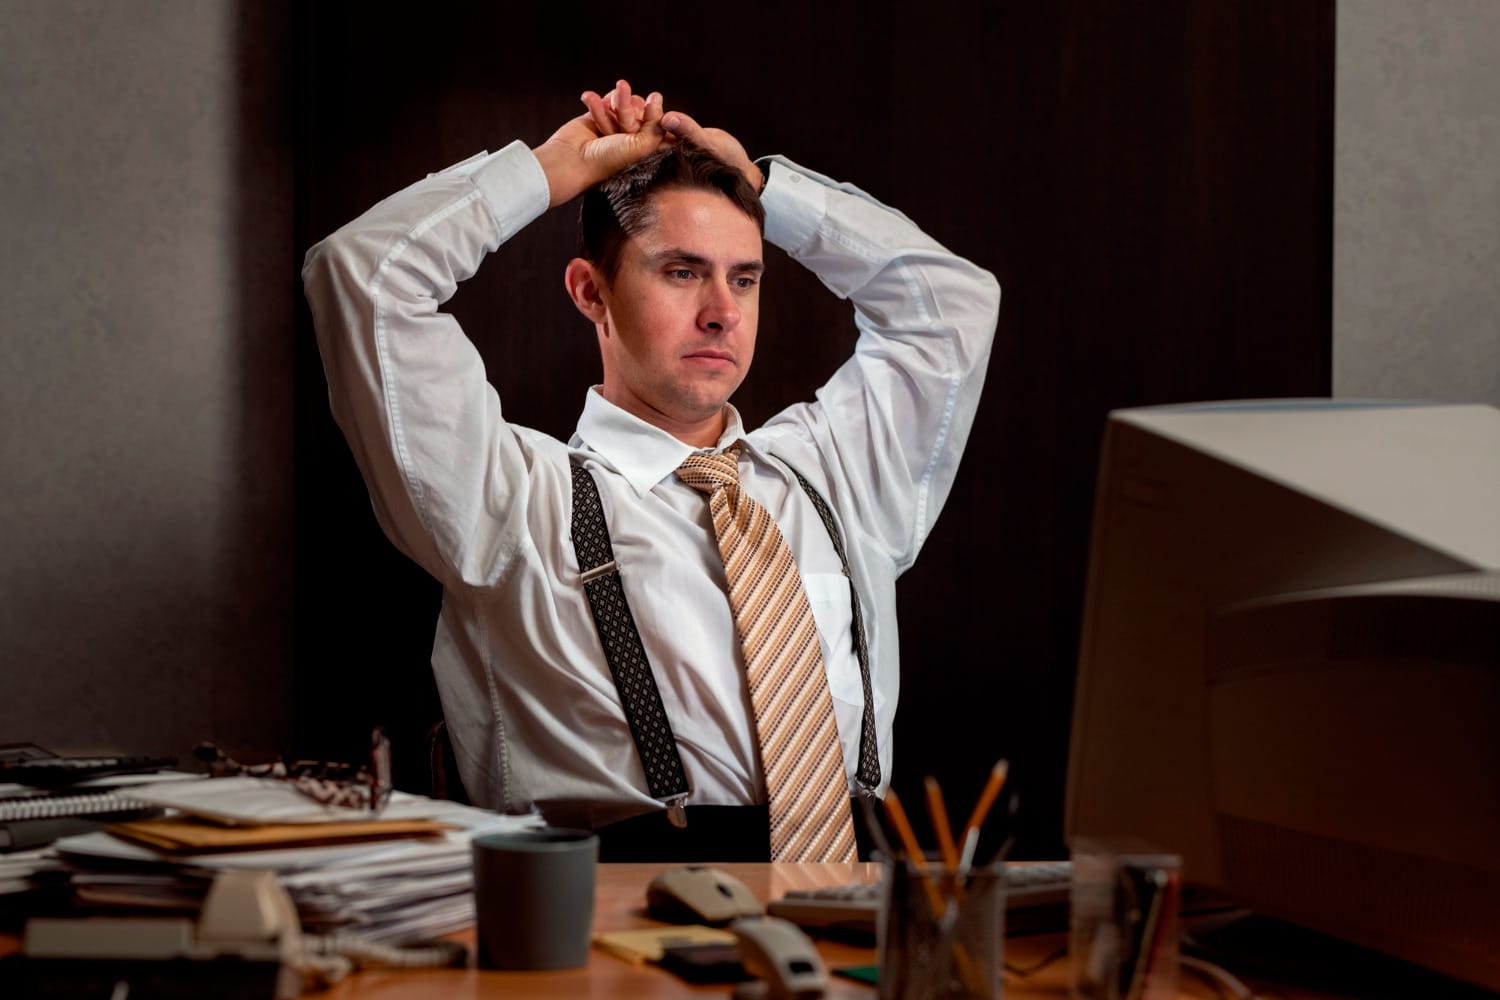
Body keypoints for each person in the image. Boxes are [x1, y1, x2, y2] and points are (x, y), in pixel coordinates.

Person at [302, 80, 999, 862]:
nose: (722, 312)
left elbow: (952, 305)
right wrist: (546, 170)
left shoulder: (834, 478)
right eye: (680, 272)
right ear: (590, 292)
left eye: (744, 277)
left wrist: (772, 190)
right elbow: (363, 276)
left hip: (850, 921)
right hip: (619, 927)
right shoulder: (509, 496)